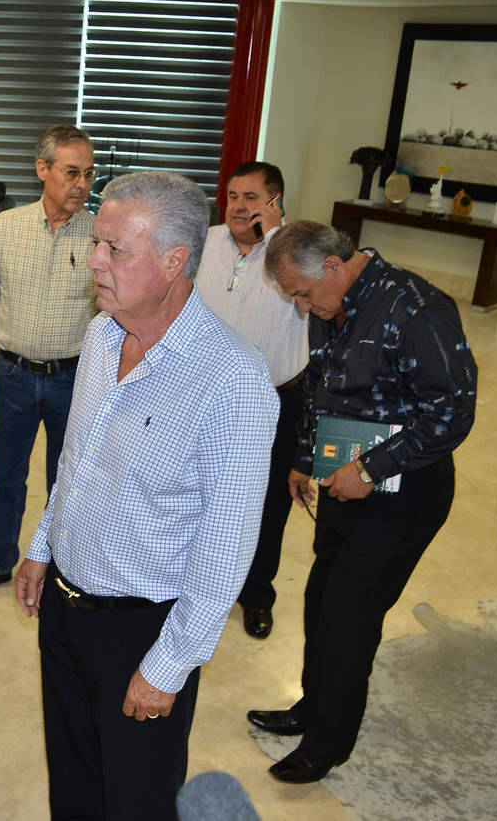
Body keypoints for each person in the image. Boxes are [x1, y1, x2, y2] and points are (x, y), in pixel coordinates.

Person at [14, 171, 278, 820]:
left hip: (143, 630)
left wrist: (170, 663)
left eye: (115, 249)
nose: (94, 262)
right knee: (73, 781)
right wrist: (43, 546)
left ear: (173, 262)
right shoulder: (102, 335)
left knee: (137, 800)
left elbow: (225, 545)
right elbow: (76, 462)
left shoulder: (233, 380)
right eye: (95, 244)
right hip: (65, 610)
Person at [248, 220, 477, 783]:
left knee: (351, 616)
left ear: (333, 265)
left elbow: (452, 411)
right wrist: (305, 459)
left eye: (304, 294)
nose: (302, 308)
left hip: (405, 491)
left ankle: (327, 743)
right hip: (343, 478)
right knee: (322, 601)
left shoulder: (416, 309)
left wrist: (372, 470)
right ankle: (312, 708)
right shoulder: (332, 305)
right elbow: (319, 388)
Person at [0, 124, 98, 599]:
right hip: (13, 374)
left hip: (74, 378)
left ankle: (59, 566)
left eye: (89, 174)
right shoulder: (4, 228)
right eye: (72, 172)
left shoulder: (102, 234)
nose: (82, 184)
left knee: (67, 480)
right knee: (6, 478)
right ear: (42, 169)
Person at [194, 161, 306, 639]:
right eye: (233, 196)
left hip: (277, 400)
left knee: (268, 504)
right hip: (206, 395)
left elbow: (316, 304)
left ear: (276, 202)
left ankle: (256, 594)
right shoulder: (205, 242)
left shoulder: (298, 251)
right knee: (201, 492)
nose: (239, 207)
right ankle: (197, 585)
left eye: (252, 198)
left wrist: (276, 236)